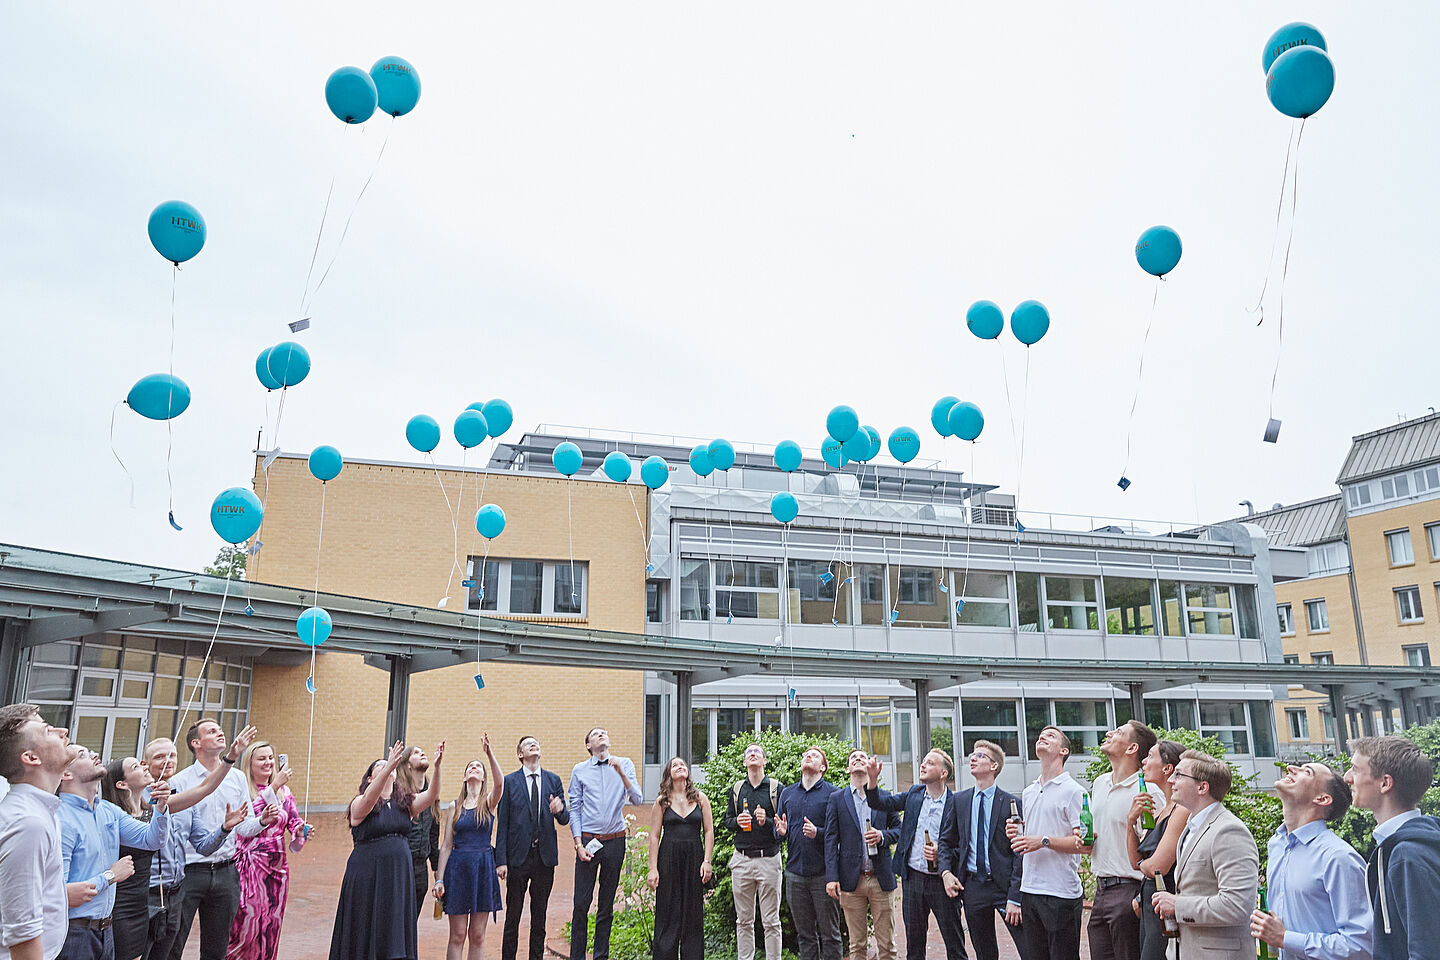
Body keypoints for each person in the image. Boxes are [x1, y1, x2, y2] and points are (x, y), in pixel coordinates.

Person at [138, 732, 256, 960]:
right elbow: (204, 789)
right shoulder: (139, 797)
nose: (167, 761)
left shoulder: (183, 797)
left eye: (172, 756)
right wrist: (230, 757)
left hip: (174, 892)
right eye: (160, 757)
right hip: (146, 894)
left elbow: (203, 844)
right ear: (145, 764)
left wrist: (224, 828)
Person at [328, 739, 445, 960]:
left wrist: (437, 768)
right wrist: (390, 766)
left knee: (393, 928)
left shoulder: (404, 803)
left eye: (388, 764)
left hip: (397, 876)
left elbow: (431, 796)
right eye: (379, 766)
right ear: (370, 778)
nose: (386, 766)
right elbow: (370, 799)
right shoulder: (360, 802)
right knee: (365, 925)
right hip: (367, 875)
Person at [165, 720, 268, 960]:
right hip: (189, 873)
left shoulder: (238, 778)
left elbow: (244, 828)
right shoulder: (180, 781)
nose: (220, 732)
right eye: (212, 731)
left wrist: (262, 821)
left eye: (221, 729)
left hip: (225, 873)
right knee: (174, 945)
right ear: (196, 743)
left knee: (216, 949)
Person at [57, 746, 171, 960]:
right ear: (66, 774)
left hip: (106, 928)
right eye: (82, 754)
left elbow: (151, 839)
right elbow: (60, 895)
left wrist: (161, 807)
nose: (93, 754)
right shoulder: (60, 819)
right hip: (73, 932)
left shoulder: (108, 811)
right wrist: (111, 876)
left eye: (90, 750)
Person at [1249, 761, 1369, 960]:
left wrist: (1285, 938)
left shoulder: (1338, 858)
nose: (1290, 768)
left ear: (1322, 799)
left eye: (1307, 771)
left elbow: (1360, 946)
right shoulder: (1276, 845)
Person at [1151, 750, 1258, 959]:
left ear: (1202, 787)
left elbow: (1237, 906)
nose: (1171, 780)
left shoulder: (1229, 831)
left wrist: (1176, 905)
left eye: (1179, 775)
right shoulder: (1191, 827)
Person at [1343, 735, 1440, 960]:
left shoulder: (1407, 855)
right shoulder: (1404, 846)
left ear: (1385, 783)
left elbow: (1427, 950)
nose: (1347, 778)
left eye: (1356, 770)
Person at [864, 749, 966, 960]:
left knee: (954, 943)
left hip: (942, 882)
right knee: (914, 944)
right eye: (924, 761)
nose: (923, 765)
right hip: (913, 879)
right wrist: (872, 781)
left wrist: (942, 853)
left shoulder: (956, 803)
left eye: (930, 763)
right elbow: (881, 803)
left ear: (943, 773)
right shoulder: (914, 793)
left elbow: (964, 845)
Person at [0, 703, 80, 960]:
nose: (63, 731)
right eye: (48, 731)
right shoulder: (28, 823)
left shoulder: (41, 811)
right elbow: (23, 936)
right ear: (31, 758)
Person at [1082, 720, 1163, 960]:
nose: (1109, 733)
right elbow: (1096, 840)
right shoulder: (1099, 784)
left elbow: (1157, 848)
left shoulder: (1148, 790)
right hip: (1100, 890)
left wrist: (1139, 899)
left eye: (1118, 733)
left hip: (1130, 890)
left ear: (1132, 748)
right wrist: (1084, 840)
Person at [1005, 725, 1085, 960]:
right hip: (1029, 889)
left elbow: (1085, 843)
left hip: (1061, 892)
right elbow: (1031, 834)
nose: (1042, 737)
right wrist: (1018, 832)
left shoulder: (1074, 791)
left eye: (1051, 736)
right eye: (1041, 735)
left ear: (1064, 751)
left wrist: (1043, 841)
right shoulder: (1028, 791)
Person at [227, 742, 311, 960]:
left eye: (270, 757)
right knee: (247, 922)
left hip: (277, 867)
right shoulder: (242, 789)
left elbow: (292, 819)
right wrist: (272, 788)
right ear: (250, 763)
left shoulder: (285, 792)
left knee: (271, 924)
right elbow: (246, 820)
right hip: (249, 865)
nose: (268, 762)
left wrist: (300, 829)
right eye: (261, 758)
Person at [567, 728, 643, 960]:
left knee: (606, 905)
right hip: (588, 841)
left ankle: (601, 955)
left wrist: (621, 773)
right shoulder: (580, 770)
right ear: (588, 745)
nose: (602, 734)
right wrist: (578, 844)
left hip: (615, 842)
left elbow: (638, 799)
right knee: (581, 903)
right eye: (595, 733)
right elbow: (575, 809)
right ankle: (577, 956)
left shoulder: (625, 764)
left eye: (604, 732)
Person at [949, 740, 1027, 960]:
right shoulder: (959, 801)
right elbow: (949, 842)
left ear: (994, 766)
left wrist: (1015, 897)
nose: (972, 758)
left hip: (1004, 888)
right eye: (972, 755)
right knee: (984, 952)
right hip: (974, 887)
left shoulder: (1011, 802)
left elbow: (1019, 853)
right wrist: (946, 871)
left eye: (980, 756)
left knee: (1028, 948)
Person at [495, 736, 568, 960]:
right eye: (528, 744)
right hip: (518, 858)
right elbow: (503, 824)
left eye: (536, 743)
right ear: (520, 754)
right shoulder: (509, 782)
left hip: (544, 859)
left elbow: (565, 819)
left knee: (540, 916)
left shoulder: (553, 780)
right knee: (513, 916)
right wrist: (501, 860)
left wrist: (559, 809)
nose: (534, 745)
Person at [824, 749, 900, 960]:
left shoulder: (884, 797)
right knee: (856, 945)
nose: (858, 759)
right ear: (847, 768)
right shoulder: (837, 799)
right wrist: (832, 877)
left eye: (862, 757)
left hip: (880, 878)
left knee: (887, 945)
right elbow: (830, 839)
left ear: (869, 766)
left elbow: (899, 830)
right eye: (853, 758)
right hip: (851, 881)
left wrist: (882, 836)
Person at [434, 737, 504, 960]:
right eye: (470, 767)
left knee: (477, 935)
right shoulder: (454, 806)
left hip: (483, 869)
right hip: (458, 869)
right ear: (465, 777)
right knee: (457, 935)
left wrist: (489, 755)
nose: (474, 768)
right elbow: (446, 846)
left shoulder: (489, 802)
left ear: (483, 778)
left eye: (478, 767)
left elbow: (501, 784)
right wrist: (439, 878)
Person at [1123, 739, 1189, 960]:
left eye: (1150, 756)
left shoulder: (1181, 810)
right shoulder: (1162, 810)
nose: (1144, 761)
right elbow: (1136, 862)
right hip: (1151, 904)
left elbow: (1158, 866)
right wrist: (1130, 821)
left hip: (1166, 903)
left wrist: (1145, 865)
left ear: (1167, 768)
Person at [774, 747, 840, 960]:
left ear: (823, 767)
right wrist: (781, 833)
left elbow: (838, 834)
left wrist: (817, 833)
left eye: (814, 755)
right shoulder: (787, 793)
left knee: (830, 935)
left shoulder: (833, 794)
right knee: (805, 935)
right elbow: (779, 832)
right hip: (795, 874)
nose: (807, 757)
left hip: (823, 875)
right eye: (805, 755)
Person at [646, 757, 714, 960]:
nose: (680, 767)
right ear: (668, 773)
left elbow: (709, 831)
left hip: (694, 860)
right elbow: (654, 836)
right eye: (675, 765)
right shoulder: (662, 802)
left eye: (683, 765)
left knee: (693, 914)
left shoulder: (701, 798)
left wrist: (707, 861)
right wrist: (653, 868)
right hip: (668, 860)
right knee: (667, 912)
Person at [726, 743, 783, 960]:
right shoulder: (738, 789)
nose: (752, 754)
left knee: (771, 922)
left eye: (757, 752)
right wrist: (738, 822)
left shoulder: (776, 789)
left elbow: (782, 828)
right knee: (743, 921)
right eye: (748, 752)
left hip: (769, 859)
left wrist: (766, 821)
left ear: (764, 761)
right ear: (744, 762)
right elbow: (727, 821)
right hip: (741, 861)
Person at [398, 747, 440, 925]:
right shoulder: (398, 794)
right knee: (396, 921)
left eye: (423, 751)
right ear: (407, 765)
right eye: (416, 752)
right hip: (400, 865)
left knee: (410, 924)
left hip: (420, 868)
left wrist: (439, 879)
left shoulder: (432, 795)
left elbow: (433, 837)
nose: (423, 753)